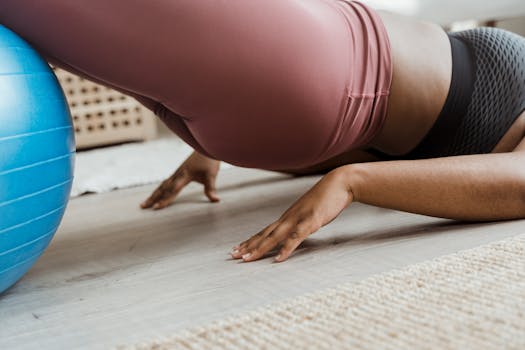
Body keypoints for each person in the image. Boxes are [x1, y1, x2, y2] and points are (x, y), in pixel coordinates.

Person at [2, 0, 525, 263]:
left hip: (323, 67)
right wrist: (218, 147)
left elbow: (519, 179)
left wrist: (351, 181)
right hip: (305, 89)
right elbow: (403, 136)